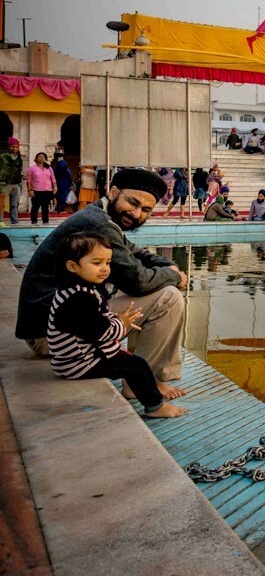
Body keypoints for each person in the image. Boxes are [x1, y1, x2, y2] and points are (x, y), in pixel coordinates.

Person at [17, 168, 188, 395]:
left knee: (157, 288)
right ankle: (143, 384)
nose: (137, 214)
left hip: (58, 325)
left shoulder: (101, 216)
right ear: (114, 191)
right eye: (133, 203)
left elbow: (136, 252)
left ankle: (142, 375)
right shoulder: (98, 224)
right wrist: (176, 276)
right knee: (168, 297)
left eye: (145, 209)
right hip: (53, 336)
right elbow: (137, 281)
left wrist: (167, 266)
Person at [48, 234, 186, 418]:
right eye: (97, 263)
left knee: (129, 358)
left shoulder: (78, 288)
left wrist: (114, 319)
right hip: (80, 362)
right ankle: (155, 406)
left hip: (78, 356)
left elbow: (94, 320)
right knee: (137, 366)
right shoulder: (78, 298)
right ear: (72, 266)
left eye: (107, 263)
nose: (105, 269)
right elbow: (99, 333)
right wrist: (122, 323)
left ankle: (146, 391)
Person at [27, 152, 56, 224]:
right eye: (40, 157)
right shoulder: (32, 168)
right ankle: (34, 221)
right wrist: (30, 190)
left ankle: (45, 221)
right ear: (36, 158)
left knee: (45, 207)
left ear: (45, 159)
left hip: (47, 191)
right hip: (36, 191)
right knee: (35, 207)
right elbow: (29, 181)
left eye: (43, 157)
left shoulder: (49, 168)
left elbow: (53, 178)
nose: (41, 158)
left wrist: (55, 187)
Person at [1, 137, 24, 223]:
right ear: (9, 147)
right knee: (1, 204)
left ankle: (15, 221)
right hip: (4, 184)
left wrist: (21, 175)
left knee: (14, 204)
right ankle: (0, 221)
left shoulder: (19, 158)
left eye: (16, 147)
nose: (15, 148)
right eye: (13, 147)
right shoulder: (2, 157)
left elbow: (19, 170)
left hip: (16, 184)